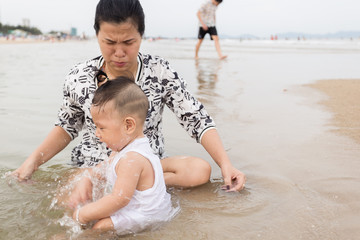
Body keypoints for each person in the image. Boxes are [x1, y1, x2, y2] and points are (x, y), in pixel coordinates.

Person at [13, 0, 245, 198]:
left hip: (145, 166)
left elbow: (196, 119)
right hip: (91, 168)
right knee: (70, 204)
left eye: (128, 42)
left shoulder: (160, 72)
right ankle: (111, 185)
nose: (119, 52)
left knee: (200, 171)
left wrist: (226, 165)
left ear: (141, 36)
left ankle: (136, 184)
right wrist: (31, 163)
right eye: (110, 42)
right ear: (97, 35)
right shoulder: (80, 77)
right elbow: (67, 126)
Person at [69, 77, 178, 233]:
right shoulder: (126, 148)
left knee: (101, 226)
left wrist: (84, 213)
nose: (96, 133)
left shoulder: (132, 159)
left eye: (101, 128)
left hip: (149, 216)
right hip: (153, 207)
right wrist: (87, 178)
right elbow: (102, 169)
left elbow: (119, 199)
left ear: (128, 125)